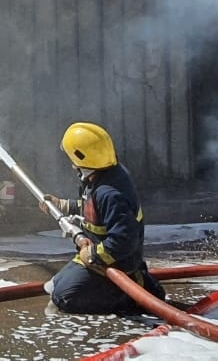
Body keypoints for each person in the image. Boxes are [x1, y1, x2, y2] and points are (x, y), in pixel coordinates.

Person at [40, 122, 164, 315]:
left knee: (65, 298)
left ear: (82, 157)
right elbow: (93, 209)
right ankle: (136, 287)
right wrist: (64, 205)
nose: (71, 164)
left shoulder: (111, 193)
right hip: (99, 259)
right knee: (53, 286)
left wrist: (93, 255)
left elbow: (124, 241)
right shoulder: (98, 177)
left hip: (116, 264)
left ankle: (136, 294)